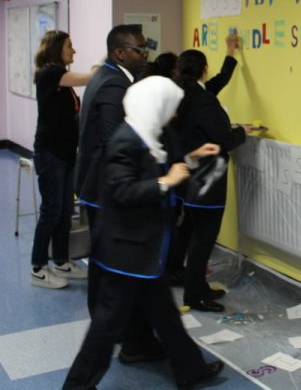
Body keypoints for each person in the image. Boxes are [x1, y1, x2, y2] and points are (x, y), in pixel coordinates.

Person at [63, 76, 224, 390]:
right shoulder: (125, 140)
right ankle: (77, 386)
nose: (174, 114)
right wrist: (167, 182)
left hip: (144, 251)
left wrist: (192, 159)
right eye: (170, 107)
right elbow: (123, 191)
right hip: (125, 254)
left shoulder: (148, 137)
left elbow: (161, 169)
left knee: (166, 317)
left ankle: (191, 371)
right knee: (105, 329)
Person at [74, 23, 160, 362]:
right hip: (106, 189)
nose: (145, 55)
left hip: (98, 185)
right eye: (140, 49)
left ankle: (123, 334)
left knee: (108, 265)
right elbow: (115, 143)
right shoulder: (114, 84)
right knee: (115, 267)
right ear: (120, 52)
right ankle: (121, 336)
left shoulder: (108, 75)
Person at [173, 45, 249, 312]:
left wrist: (231, 54)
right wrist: (243, 131)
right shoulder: (203, 101)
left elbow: (218, 82)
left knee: (197, 238)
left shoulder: (182, 95)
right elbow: (224, 140)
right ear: (203, 69)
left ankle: (199, 288)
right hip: (206, 180)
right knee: (203, 240)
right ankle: (194, 296)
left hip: (189, 177)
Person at [29, 30, 94, 289]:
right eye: (70, 46)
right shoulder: (48, 74)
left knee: (66, 211)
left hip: (66, 154)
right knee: (51, 211)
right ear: (57, 49)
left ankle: (61, 261)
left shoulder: (61, 80)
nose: (74, 51)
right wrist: (107, 60)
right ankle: (38, 267)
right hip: (50, 154)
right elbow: (88, 77)